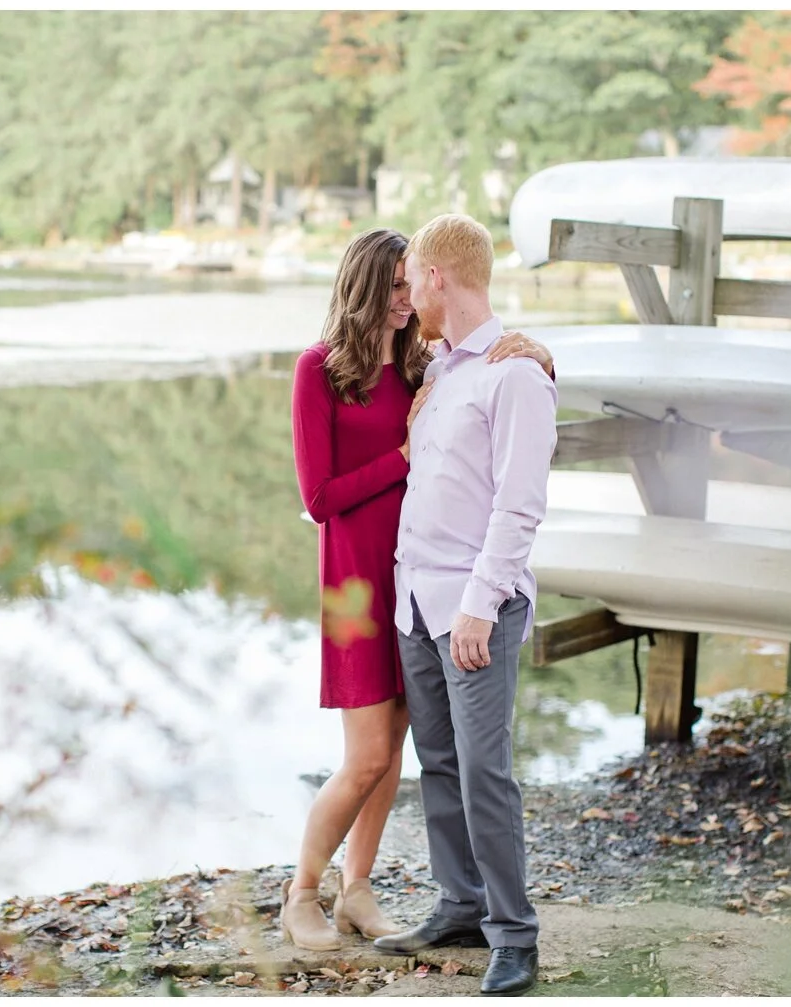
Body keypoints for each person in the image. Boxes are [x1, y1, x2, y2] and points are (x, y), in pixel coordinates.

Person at [286, 227, 553, 952]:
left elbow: (488, 366)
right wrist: (398, 458)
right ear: (370, 285)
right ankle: (301, 892)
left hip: (414, 581)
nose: (408, 300)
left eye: (412, 285)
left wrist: (537, 350)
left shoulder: (421, 367)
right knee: (369, 754)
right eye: (396, 287)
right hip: (355, 584)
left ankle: (358, 889)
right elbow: (317, 497)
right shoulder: (320, 370)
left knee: (409, 751)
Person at [371, 214, 557, 997]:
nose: (407, 294)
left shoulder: (516, 375)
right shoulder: (442, 371)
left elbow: (519, 508)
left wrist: (482, 605)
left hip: (474, 607)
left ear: (438, 277)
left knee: (486, 771)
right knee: (438, 763)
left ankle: (515, 937)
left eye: (411, 278)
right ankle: (458, 901)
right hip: (416, 597)